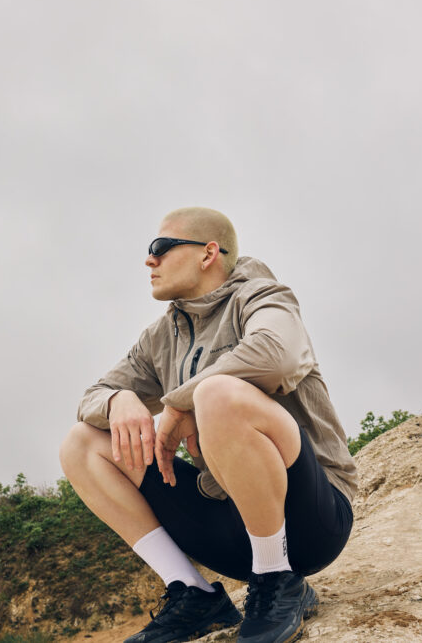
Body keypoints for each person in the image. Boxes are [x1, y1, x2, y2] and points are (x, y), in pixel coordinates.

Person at [60, 207, 357, 643]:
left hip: (311, 518)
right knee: (83, 443)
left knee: (217, 394)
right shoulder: (161, 336)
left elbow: (275, 355)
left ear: (208, 253)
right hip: (229, 527)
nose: (149, 260)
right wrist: (118, 399)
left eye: (161, 247)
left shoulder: (264, 297)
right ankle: (193, 594)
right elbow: (91, 397)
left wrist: (178, 404)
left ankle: (278, 580)